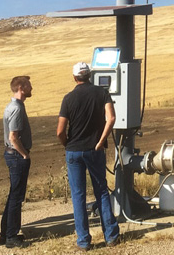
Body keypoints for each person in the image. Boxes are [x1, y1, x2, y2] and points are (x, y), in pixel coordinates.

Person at [57, 62, 120, 251]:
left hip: (74, 150)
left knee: (78, 196)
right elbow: (112, 118)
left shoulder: (68, 99)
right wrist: (101, 141)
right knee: (101, 190)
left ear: (75, 78)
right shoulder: (102, 93)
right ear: (89, 75)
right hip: (95, 149)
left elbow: (60, 131)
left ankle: (84, 241)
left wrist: (67, 144)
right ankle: (111, 236)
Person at [0, 76, 33, 249]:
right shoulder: (16, 108)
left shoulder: (15, 106)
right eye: (28, 85)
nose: (31, 87)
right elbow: (13, 136)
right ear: (21, 87)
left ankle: (6, 233)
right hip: (16, 156)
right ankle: (11, 236)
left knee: (14, 194)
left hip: (14, 155)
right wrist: (24, 155)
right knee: (16, 196)